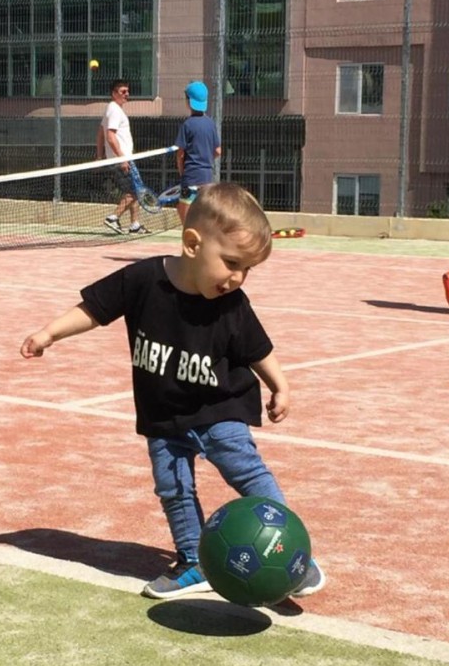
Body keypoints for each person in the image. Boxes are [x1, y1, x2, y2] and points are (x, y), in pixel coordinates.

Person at [20, 183, 326, 602]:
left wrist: (281, 386)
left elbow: (258, 350)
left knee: (248, 474)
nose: (237, 277)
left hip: (221, 410)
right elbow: (94, 309)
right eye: (232, 263)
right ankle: (193, 560)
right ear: (192, 243)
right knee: (174, 489)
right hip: (163, 417)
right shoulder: (142, 280)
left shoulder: (233, 304)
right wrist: (48, 333)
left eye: (247, 270)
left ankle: (292, 555)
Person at [96, 78, 150, 236]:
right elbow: (110, 136)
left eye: (127, 91)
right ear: (114, 94)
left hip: (123, 158)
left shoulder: (112, 109)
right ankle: (113, 217)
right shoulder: (114, 110)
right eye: (122, 92)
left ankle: (134, 225)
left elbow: (100, 133)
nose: (127, 94)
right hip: (122, 159)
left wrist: (100, 156)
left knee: (134, 190)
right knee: (133, 192)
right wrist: (122, 159)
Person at [174, 80, 221, 225]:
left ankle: (190, 240)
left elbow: (180, 154)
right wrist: (206, 160)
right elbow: (218, 151)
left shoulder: (187, 124)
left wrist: (182, 172)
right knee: (204, 214)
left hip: (191, 176)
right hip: (206, 177)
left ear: (188, 101)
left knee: (185, 215)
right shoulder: (211, 124)